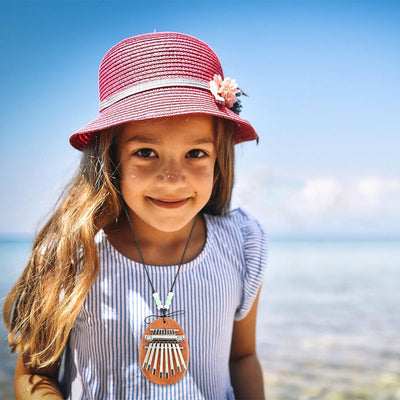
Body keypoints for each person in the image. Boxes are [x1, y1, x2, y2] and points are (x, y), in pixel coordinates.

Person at [3, 32, 267, 399]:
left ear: (220, 158)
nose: (172, 178)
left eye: (195, 153)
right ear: (111, 158)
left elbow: (242, 357)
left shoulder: (241, 244)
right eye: (146, 152)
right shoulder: (72, 253)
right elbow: (35, 373)